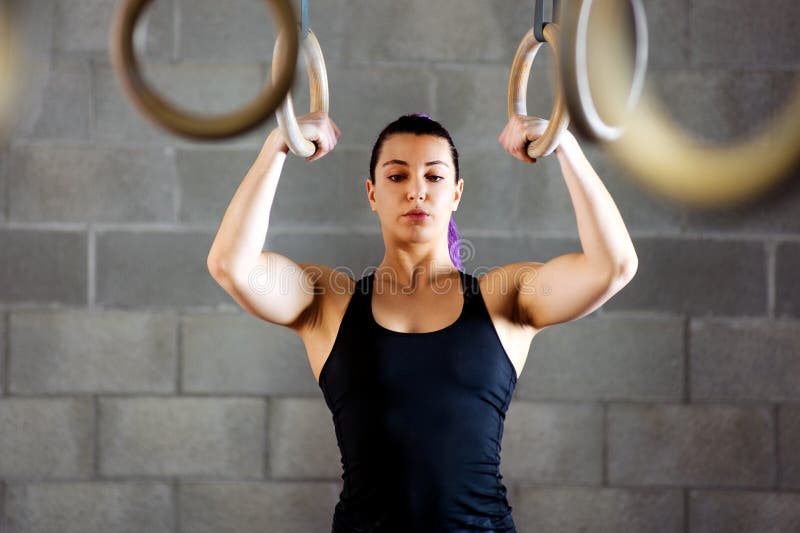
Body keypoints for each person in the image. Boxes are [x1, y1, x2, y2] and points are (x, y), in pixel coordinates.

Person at [207, 111, 638, 532]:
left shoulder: (505, 297)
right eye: (397, 176)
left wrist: (563, 144)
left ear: (456, 193)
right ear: (372, 193)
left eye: (434, 177)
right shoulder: (328, 302)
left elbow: (614, 266)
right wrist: (278, 144)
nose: (417, 191)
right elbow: (231, 265)